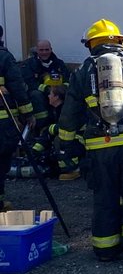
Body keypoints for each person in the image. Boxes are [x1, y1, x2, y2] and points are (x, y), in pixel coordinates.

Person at [56, 19, 123, 261]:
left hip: (99, 145)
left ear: (92, 44)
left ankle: (105, 249)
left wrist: (66, 144)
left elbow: (69, 114)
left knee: (105, 194)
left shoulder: (83, 71)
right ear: (120, 41)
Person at [20, 39, 70, 176]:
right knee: (36, 95)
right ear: (37, 51)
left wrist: (60, 90)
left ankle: (60, 124)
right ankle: (43, 126)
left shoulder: (58, 64)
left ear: (51, 49)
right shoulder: (29, 65)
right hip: (39, 97)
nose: (44, 52)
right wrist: (47, 89)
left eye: (46, 49)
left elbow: (67, 79)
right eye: (41, 50)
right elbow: (28, 83)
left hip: (57, 96)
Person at [0, 26, 34, 209]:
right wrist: (28, 114)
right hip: (3, 123)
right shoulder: (4, 57)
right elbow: (18, 88)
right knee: (1, 161)